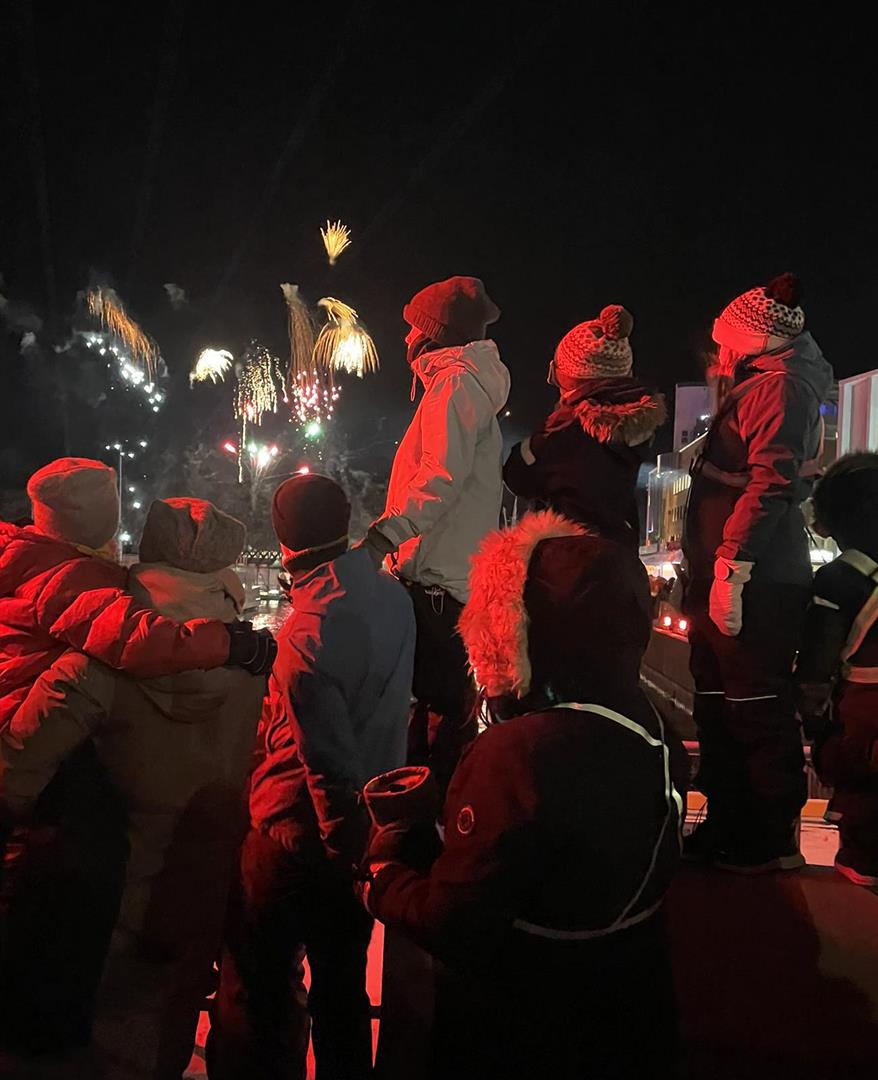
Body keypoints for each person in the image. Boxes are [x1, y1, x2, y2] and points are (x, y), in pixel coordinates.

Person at [361, 510, 686, 1080]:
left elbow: (457, 924)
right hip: (629, 1014)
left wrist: (385, 877)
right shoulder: (652, 726)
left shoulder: (518, 753)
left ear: (518, 628)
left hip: (528, 1027)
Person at [0, 460, 269, 1056]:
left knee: (103, 1029)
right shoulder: (255, 657)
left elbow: (16, 766)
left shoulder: (93, 658)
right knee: (173, 1018)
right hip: (205, 870)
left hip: (113, 880)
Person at [211, 473, 416, 1080]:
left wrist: (340, 848)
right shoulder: (394, 599)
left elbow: (327, 766)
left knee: (261, 991)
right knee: (343, 993)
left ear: (283, 542)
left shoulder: (307, 633)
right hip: (364, 832)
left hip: (295, 836)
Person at [683, 273, 833, 872]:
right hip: (732, 572)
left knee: (754, 703)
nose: (721, 350)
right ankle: (729, 822)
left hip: (758, 580)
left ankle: (767, 836)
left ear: (754, 339)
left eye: (728, 340)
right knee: (720, 702)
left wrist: (734, 567)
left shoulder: (781, 388)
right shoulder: (764, 381)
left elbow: (772, 482)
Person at [364, 276, 510, 791]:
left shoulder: (455, 386)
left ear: (434, 334)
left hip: (436, 586)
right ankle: (437, 807)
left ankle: (430, 813)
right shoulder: (462, 385)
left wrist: (383, 538)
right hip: (443, 582)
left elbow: (438, 479)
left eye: (413, 328)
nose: (405, 338)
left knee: (438, 715)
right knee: (442, 709)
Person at [504, 304, 666, 547]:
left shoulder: (564, 433)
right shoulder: (638, 428)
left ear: (573, 379)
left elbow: (518, 477)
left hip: (569, 553)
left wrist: (542, 434)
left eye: (557, 372)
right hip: (618, 550)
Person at [795, 454, 878, 887]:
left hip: (863, 729)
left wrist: (814, 725)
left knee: (864, 855)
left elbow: (815, 669)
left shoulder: (840, 579)